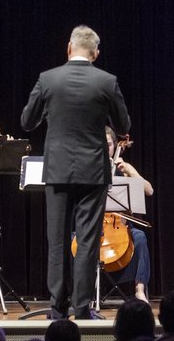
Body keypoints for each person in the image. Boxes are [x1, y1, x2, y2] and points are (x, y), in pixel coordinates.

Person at [21, 25, 130, 319]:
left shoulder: (48, 79)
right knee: (87, 242)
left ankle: (57, 309)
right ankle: (81, 308)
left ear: (69, 48)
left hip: (56, 170)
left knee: (56, 241)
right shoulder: (106, 81)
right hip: (93, 171)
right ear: (95, 53)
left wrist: (49, 112)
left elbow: (26, 121)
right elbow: (123, 126)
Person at [104, 126, 153, 303]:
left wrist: (130, 171)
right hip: (95, 226)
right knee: (74, 240)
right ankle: (81, 294)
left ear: (115, 146)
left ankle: (139, 289)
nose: (105, 148)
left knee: (139, 237)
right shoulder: (91, 169)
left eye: (109, 144)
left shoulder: (123, 167)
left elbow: (149, 190)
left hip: (120, 225)